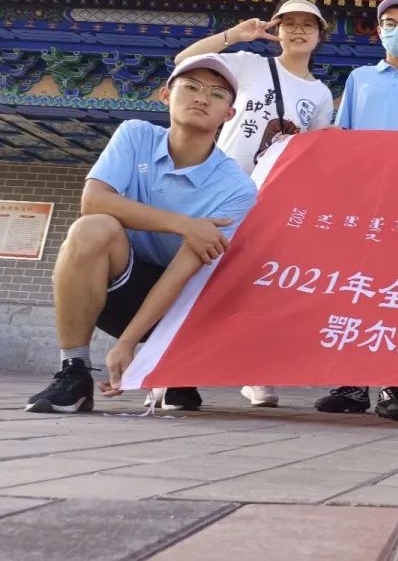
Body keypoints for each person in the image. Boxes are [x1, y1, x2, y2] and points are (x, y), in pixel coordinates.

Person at [25, 55, 257, 414]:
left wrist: (127, 345)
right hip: (120, 288)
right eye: (191, 87)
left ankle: (176, 368)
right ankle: (74, 371)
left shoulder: (237, 188)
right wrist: (184, 224)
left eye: (216, 94)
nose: (201, 98)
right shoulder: (135, 135)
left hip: (183, 311)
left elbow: (182, 271)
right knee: (91, 228)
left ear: (229, 114)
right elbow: (93, 201)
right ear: (165, 95)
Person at [173, 0, 334, 408]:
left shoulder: (320, 93)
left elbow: (314, 152)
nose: (298, 31)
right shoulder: (250, 64)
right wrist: (233, 35)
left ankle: (255, 372)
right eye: (289, 23)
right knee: (197, 278)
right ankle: (174, 374)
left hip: (273, 202)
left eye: (308, 25)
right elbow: (184, 62)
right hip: (223, 190)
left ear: (320, 35)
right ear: (276, 30)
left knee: (260, 286)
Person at [314, 0, 398, 421]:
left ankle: (393, 384)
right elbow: (344, 136)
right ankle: (351, 384)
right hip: (363, 198)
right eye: (389, 23)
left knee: (396, 292)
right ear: (378, 31)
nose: (397, 31)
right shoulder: (360, 79)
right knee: (357, 288)